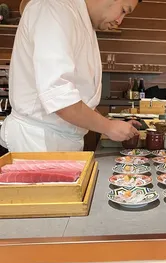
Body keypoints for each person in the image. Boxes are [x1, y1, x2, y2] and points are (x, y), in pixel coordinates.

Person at [0, 0, 142, 153]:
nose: (120, 20)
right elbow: (59, 97)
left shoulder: (81, 20)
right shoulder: (54, 8)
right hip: (36, 141)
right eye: (123, 10)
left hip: (60, 141)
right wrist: (108, 127)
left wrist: (110, 124)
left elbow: (79, 99)